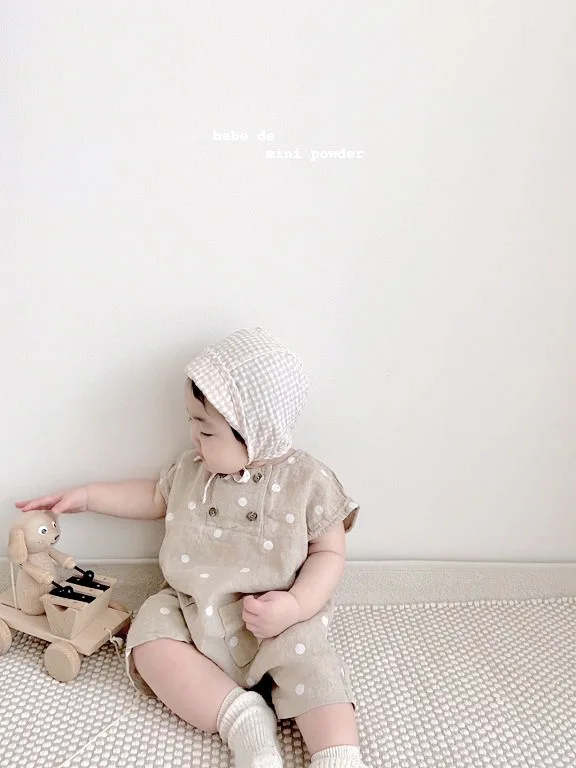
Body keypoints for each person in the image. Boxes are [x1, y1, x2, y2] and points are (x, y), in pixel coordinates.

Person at [17, 327, 365, 768]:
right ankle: (241, 718)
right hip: (192, 610)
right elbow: (152, 496)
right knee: (149, 638)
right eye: (192, 424)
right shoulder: (192, 470)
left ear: (255, 432)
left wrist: (296, 605)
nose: (194, 438)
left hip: (278, 620)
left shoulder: (307, 481)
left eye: (205, 429)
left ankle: (338, 755)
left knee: (316, 667)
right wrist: (87, 497)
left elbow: (329, 553)